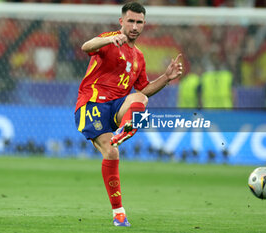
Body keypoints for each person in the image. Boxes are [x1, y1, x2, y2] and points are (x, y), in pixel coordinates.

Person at [74, 2, 183, 227]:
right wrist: (108, 39)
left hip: (117, 107)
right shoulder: (110, 39)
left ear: (144, 25)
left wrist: (166, 77)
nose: (134, 26)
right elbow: (86, 46)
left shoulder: (139, 57)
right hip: (91, 105)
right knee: (112, 154)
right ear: (121, 21)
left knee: (141, 99)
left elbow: (144, 89)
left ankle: (126, 129)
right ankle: (119, 214)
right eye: (130, 21)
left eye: (139, 22)